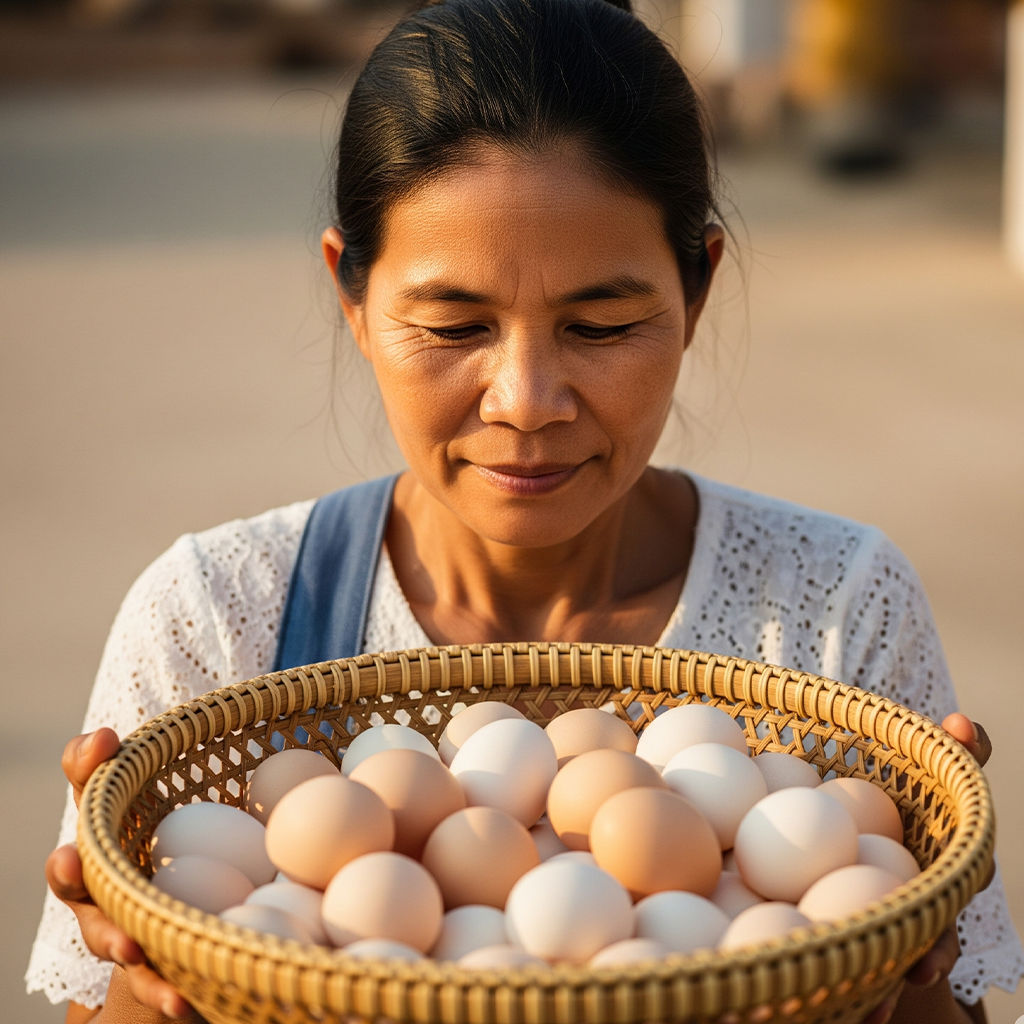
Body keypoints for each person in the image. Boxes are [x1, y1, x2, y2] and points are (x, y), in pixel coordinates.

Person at [26, 0, 1023, 1020]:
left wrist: (911, 970)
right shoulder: (220, 620)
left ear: (697, 291)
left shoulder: (833, 610)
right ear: (353, 297)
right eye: (455, 324)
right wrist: (141, 983)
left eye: (601, 324)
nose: (527, 400)